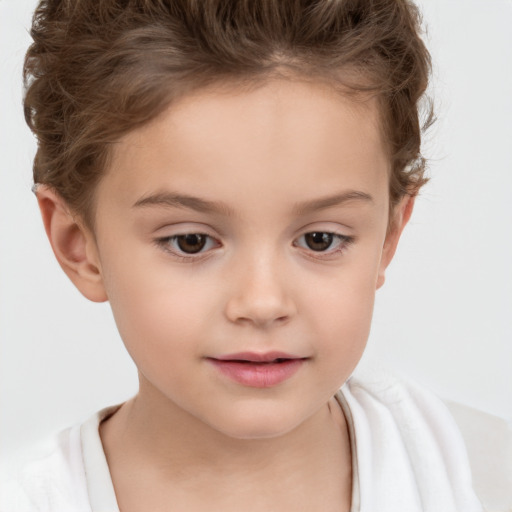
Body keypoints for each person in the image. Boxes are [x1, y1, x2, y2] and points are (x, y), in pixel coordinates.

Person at [1, 0, 483, 510]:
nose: (262, 302)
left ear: (388, 237)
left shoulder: (475, 475)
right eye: (191, 241)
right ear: (80, 246)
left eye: (320, 239)